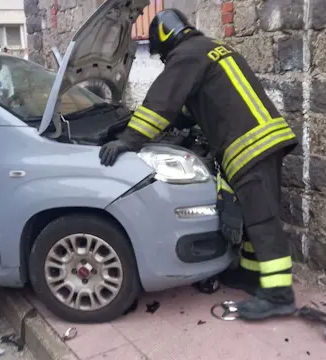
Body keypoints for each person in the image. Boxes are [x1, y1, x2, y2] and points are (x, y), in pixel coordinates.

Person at [98, 8, 299, 320]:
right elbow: (204, 103)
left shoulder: (186, 55)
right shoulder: (210, 49)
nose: (165, 61)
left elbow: (161, 101)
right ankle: (250, 274)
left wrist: (129, 140)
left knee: (262, 219)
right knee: (251, 215)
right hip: (261, 139)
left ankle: (278, 296)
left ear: (166, 41)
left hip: (250, 145)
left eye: (162, 56)